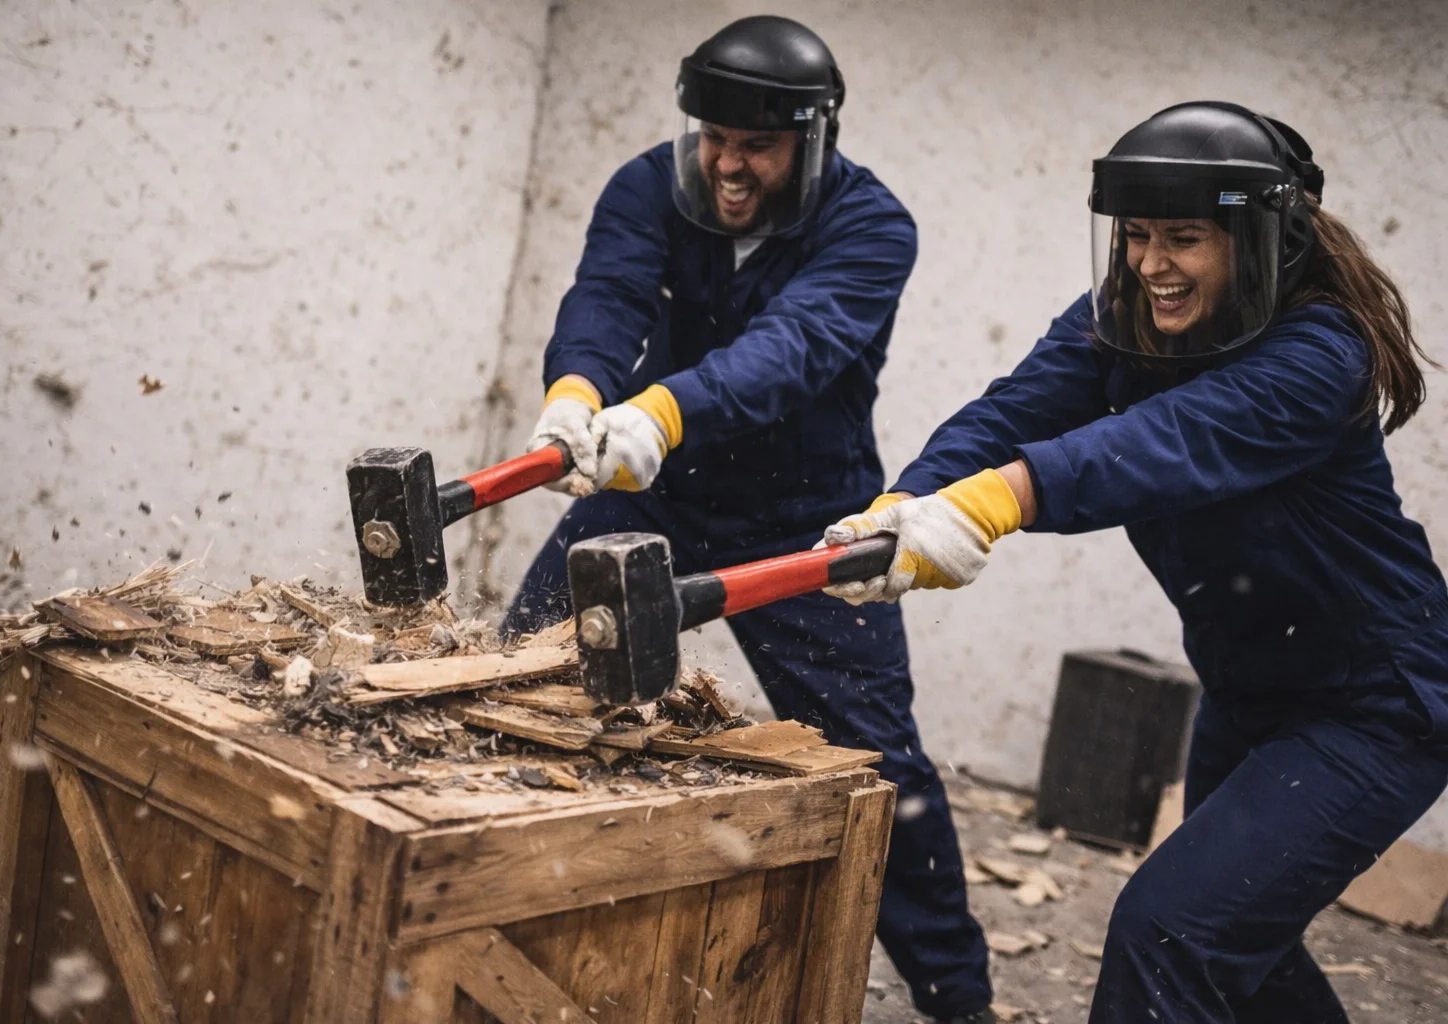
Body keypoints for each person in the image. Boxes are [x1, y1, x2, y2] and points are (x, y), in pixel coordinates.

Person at [823, 101, 1448, 1023]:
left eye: (1184, 238)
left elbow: (1165, 444)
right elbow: (1017, 409)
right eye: (1137, 235)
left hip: (1377, 706)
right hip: (1249, 688)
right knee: (1244, 948)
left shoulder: (1321, 353)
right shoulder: (1125, 314)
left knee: (1171, 933)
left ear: (1268, 238)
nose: (1153, 264)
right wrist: (907, 505)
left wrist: (994, 504)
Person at [505, 15, 995, 1023]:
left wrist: (668, 409)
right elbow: (607, 294)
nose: (726, 164)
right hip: (651, 495)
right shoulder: (648, 182)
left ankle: (961, 1000)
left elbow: (798, 345)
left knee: (878, 772)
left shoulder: (873, 227)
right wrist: (578, 390)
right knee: (522, 681)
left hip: (805, 520)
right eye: (713, 137)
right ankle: (510, 931)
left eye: (756, 146)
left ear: (812, 141)